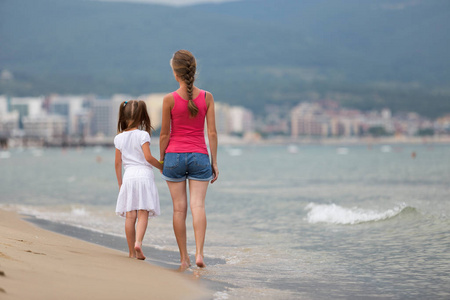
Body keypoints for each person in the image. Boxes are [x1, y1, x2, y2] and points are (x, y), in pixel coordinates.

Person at [159, 50, 219, 269]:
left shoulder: (168, 100)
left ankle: (184, 258)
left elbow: (164, 134)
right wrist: (214, 161)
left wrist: (162, 159)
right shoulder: (207, 97)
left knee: (178, 209)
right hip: (200, 156)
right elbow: (212, 133)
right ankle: (200, 254)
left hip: (174, 156)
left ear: (175, 73)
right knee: (198, 206)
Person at [114, 100, 163, 260]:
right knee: (143, 213)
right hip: (144, 176)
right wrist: (161, 166)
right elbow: (148, 157)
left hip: (129, 177)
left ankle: (130, 252)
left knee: (130, 216)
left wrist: (121, 184)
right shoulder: (143, 135)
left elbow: (117, 163)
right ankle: (138, 243)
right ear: (142, 116)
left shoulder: (119, 138)